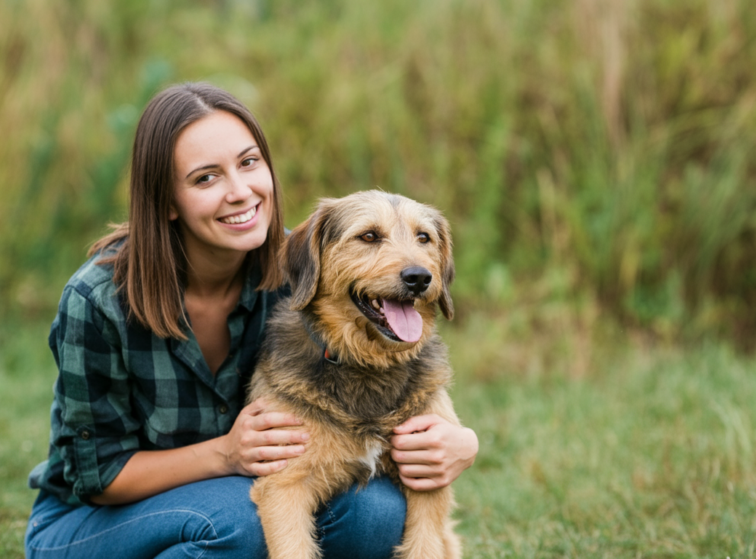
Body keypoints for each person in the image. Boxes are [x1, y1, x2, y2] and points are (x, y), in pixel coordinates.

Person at [24, 82, 479, 559]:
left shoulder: (302, 269)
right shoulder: (96, 301)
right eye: (205, 178)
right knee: (240, 523)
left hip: (235, 494)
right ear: (167, 201)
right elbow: (98, 477)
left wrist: (461, 443)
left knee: (377, 515)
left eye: (248, 163)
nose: (240, 192)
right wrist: (225, 452)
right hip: (92, 520)